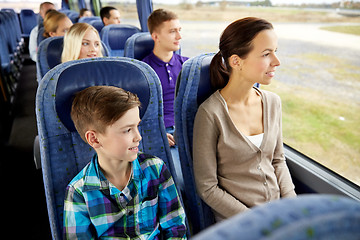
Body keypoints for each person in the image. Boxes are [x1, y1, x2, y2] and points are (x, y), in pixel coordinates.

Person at [192, 17, 296, 222]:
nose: (277, 61)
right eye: (267, 54)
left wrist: (292, 206)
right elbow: (208, 188)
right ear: (236, 61)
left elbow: (277, 160)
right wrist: (257, 220)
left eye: (276, 51)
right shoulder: (210, 114)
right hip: (240, 223)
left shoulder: (273, 102)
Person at [63, 86, 187, 239]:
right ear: (94, 139)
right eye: (127, 130)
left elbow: (175, 227)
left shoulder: (155, 168)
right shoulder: (79, 192)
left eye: (137, 126)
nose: (138, 137)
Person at [142, 9, 188, 175]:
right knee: (181, 180)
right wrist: (157, 133)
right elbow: (139, 113)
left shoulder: (188, 66)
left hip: (190, 129)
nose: (179, 37)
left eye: (179, 30)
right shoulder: (143, 71)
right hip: (165, 133)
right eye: (172, 31)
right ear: (156, 36)